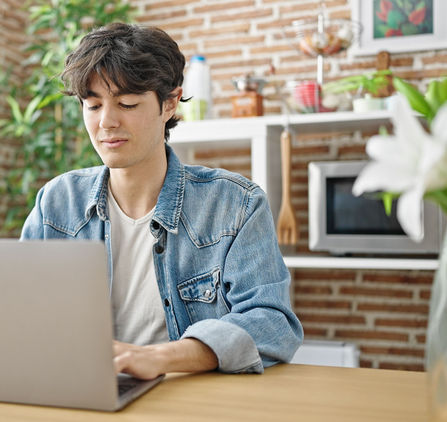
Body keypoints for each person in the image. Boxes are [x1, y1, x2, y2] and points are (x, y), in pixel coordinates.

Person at [20, 22, 303, 380]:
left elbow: (272, 321)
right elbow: (21, 312)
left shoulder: (235, 204)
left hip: (187, 395)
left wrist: (163, 358)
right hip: (81, 388)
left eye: (126, 103)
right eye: (92, 106)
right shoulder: (57, 202)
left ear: (169, 103)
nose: (106, 121)